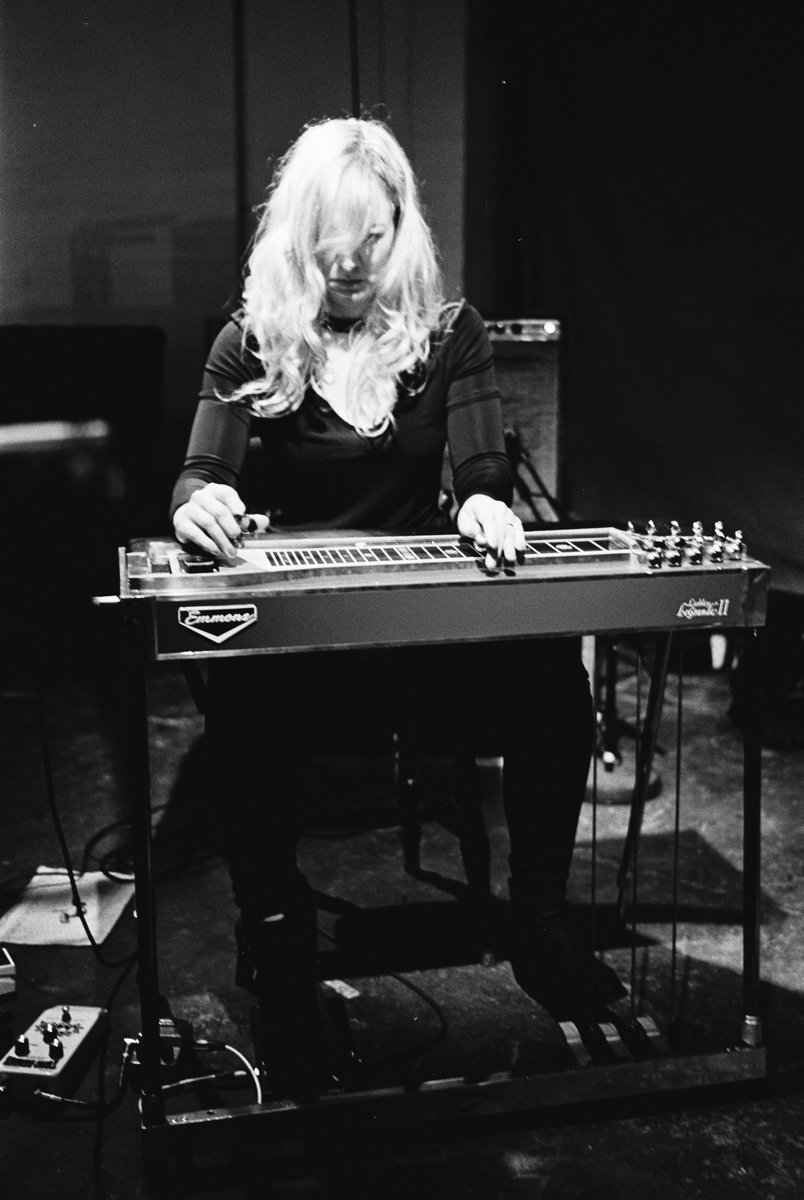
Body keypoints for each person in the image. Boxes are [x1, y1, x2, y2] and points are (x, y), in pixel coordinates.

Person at [170, 116, 625, 1098]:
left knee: (551, 675)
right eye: (329, 240)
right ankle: (279, 946)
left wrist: (488, 503)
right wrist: (199, 502)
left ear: (400, 228)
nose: (349, 263)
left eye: (370, 238)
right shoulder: (249, 341)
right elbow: (202, 472)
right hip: (306, 662)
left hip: (421, 652)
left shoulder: (451, 333)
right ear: (299, 236)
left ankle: (540, 921)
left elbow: (483, 468)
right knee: (241, 708)